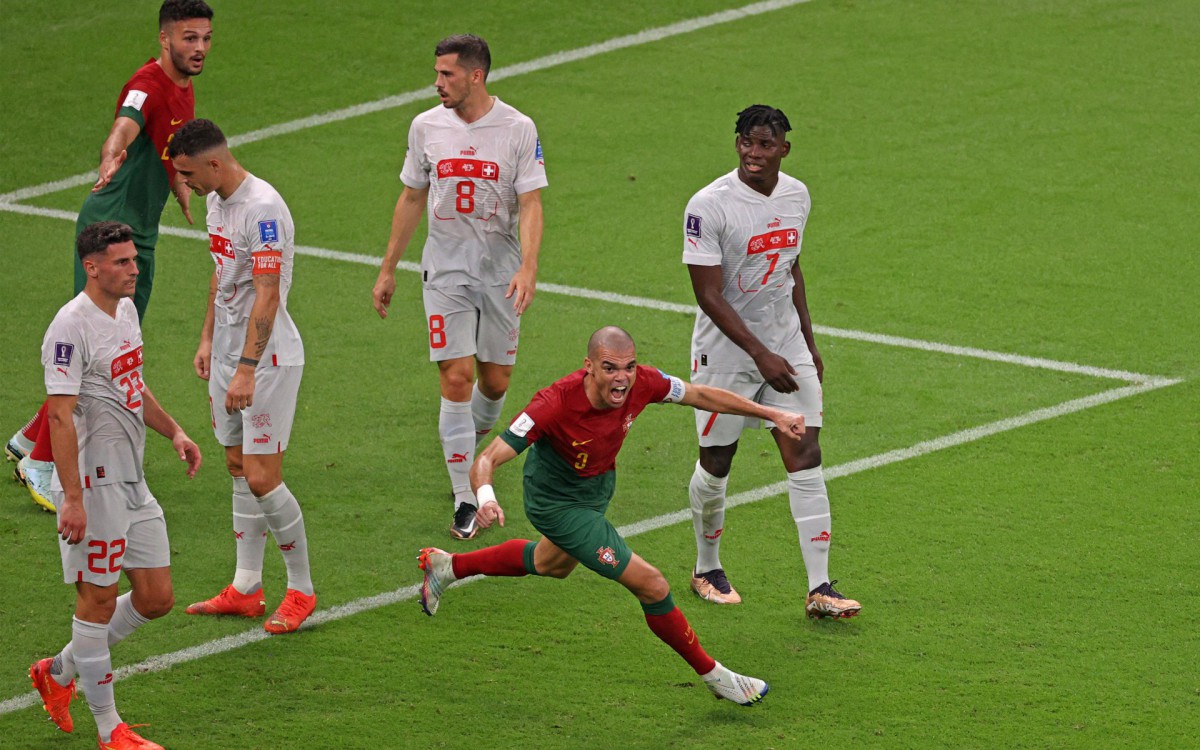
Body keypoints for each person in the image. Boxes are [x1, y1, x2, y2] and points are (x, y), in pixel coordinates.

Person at [417, 326, 806, 705]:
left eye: (629, 367)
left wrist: (770, 412)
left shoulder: (643, 383)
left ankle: (447, 567)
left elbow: (701, 394)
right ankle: (717, 677)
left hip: (596, 488)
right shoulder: (553, 402)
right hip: (556, 504)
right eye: (610, 368)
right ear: (588, 366)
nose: (622, 378)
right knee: (652, 584)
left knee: (551, 563)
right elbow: (487, 457)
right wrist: (485, 497)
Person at [9, 0, 214, 514]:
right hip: (113, 232)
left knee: (111, 350)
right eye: (189, 38)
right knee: (102, 352)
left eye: (206, 38)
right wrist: (110, 150)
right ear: (164, 39)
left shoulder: (185, 88)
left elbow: (169, 144)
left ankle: (25, 438)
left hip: (138, 229)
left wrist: (179, 186)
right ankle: (39, 460)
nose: (200, 48)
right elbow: (129, 120)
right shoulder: (147, 81)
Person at [680, 104, 860, 619]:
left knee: (805, 453)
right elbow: (708, 294)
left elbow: (790, 265)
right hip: (727, 354)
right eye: (746, 143)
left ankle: (820, 587)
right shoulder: (707, 206)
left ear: (784, 148)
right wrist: (760, 354)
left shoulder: (797, 195)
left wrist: (806, 339)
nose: (754, 154)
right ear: (736, 143)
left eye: (765, 145)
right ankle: (705, 567)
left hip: (786, 347)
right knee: (717, 460)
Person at [28, 221, 202, 750]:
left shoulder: (125, 312)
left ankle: (57, 671)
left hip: (133, 478)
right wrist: (72, 499)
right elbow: (59, 418)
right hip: (93, 485)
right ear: (93, 267)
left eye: (134, 259)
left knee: (156, 597)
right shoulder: (69, 328)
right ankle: (110, 731)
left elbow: (132, 384)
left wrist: (173, 429)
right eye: (123, 262)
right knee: (98, 600)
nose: (135, 268)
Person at [372, 34, 546, 541]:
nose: (437, 82)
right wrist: (388, 268)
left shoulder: (517, 128)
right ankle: (465, 495)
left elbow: (531, 203)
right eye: (437, 72)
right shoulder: (426, 126)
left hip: (500, 273)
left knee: (494, 383)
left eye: (447, 74)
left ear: (476, 76)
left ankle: (461, 445)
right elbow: (410, 196)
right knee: (457, 378)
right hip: (444, 273)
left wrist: (528, 267)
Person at [167, 119, 317, 634]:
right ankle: (247, 586)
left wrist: (247, 369)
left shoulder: (264, 209)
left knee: (261, 475)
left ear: (215, 162)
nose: (184, 184)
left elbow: (267, 292)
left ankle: (301, 589)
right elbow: (221, 269)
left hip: (268, 360)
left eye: (188, 173)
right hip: (229, 353)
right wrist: (208, 338)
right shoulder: (215, 202)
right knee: (235, 464)